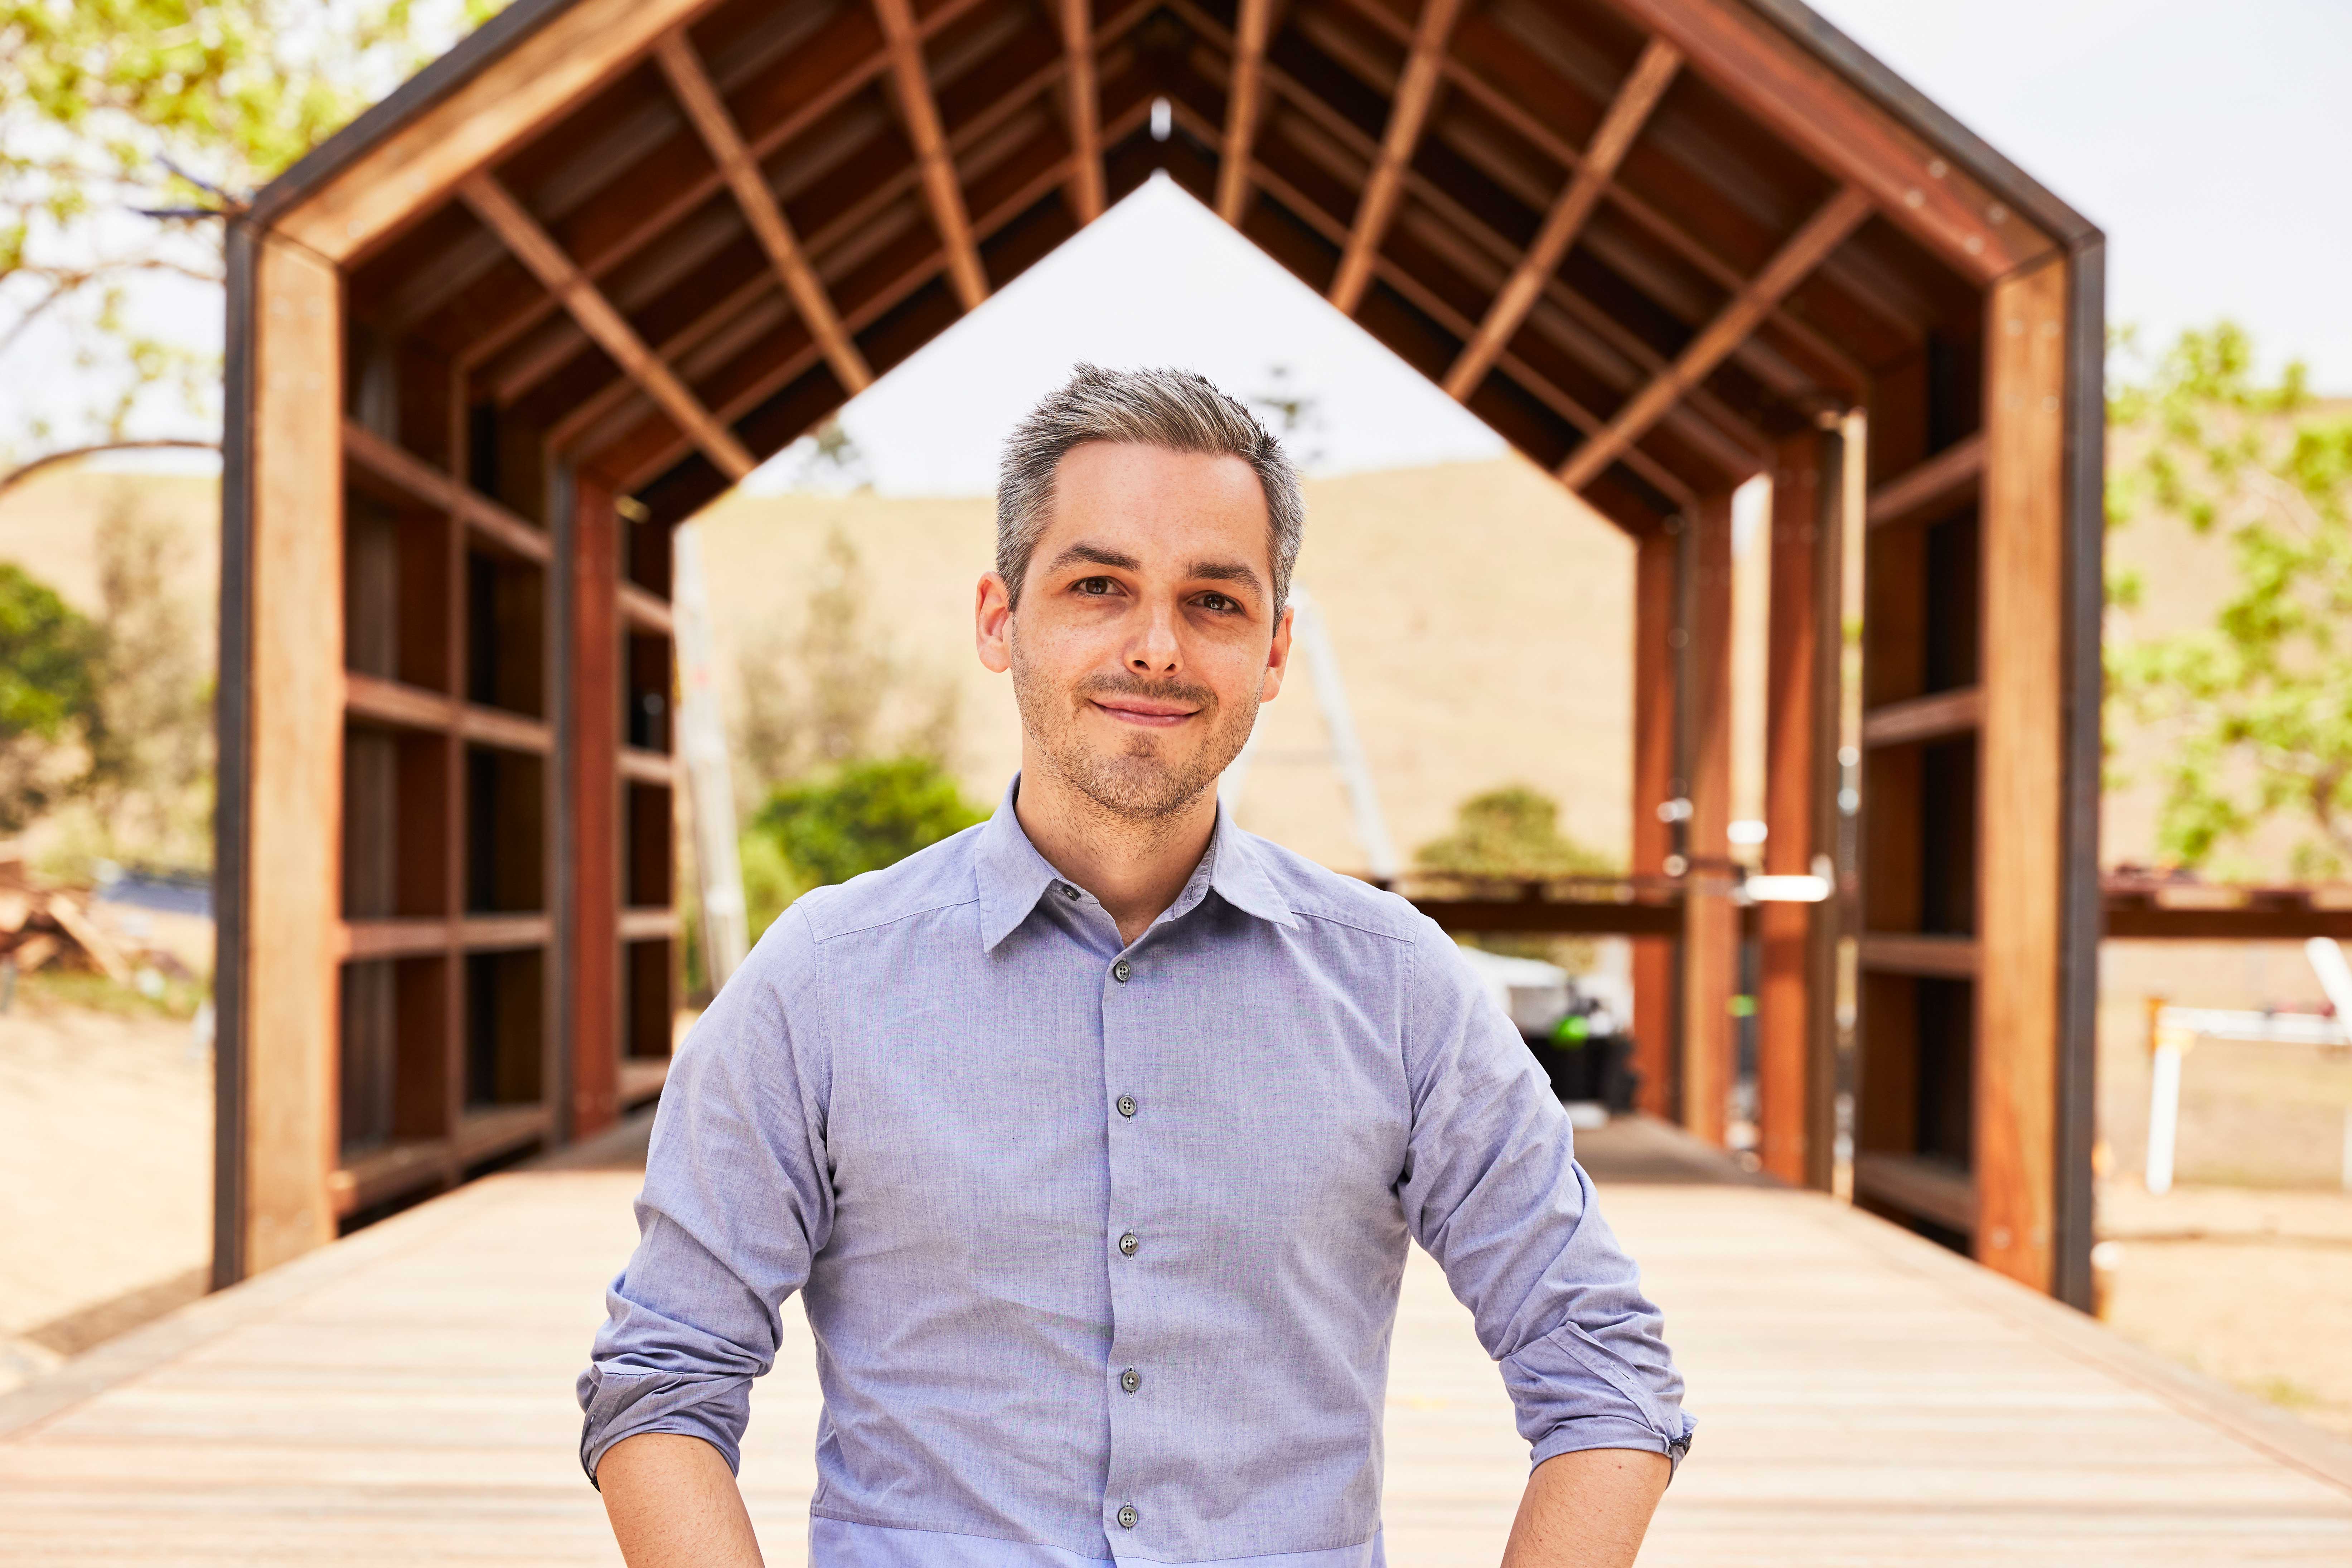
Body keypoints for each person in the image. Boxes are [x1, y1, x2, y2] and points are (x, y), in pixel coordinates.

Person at [579, 364, 1692, 1568]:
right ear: (1000, 620)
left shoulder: (1399, 991)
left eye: (1213, 601)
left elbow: (1603, 1365)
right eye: (1098, 586)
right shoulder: (824, 981)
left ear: (1273, 651)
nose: (1154, 648)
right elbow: (662, 1377)